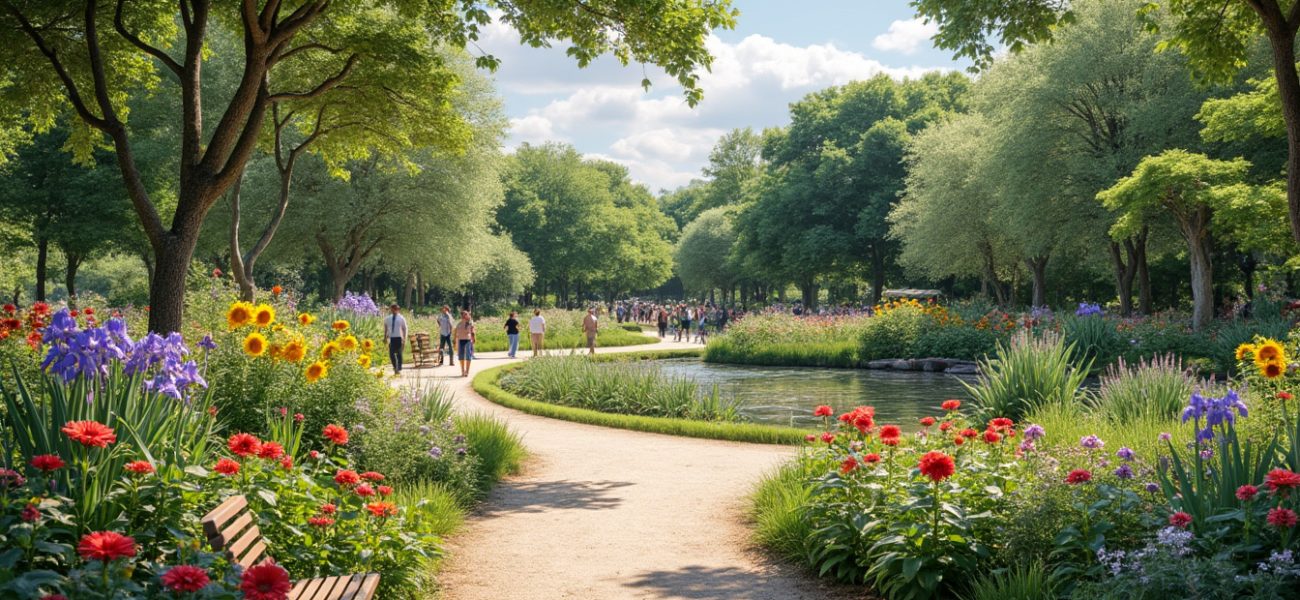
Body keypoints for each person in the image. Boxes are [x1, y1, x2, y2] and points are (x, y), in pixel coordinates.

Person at [383, 304, 408, 375]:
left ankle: (399, 368)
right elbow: (386, 327)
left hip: (399, 337)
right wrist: (385, 337)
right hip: (392, 338)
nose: (394, 311)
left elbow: (404, 328)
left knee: (399, 353)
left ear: (398, 310)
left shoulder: (401, 318)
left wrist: (404, 338)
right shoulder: (388, 318)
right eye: (393, 309)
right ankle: (395, 366)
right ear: (391, 309)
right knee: (391, 353)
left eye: (396, 309)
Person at [454, 310, 476, 377]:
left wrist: (473, 338)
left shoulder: (470, 323)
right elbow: (455, 332)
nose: (465, 316)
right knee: (461, 356)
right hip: (461, 340)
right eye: (464, 315)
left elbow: (473, 331)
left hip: (467, 340)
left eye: (466, 314)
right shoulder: (459, 324)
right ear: (462, 316)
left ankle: (467, 371)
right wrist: (455, 341)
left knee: (468, 356)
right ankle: (463, 371)